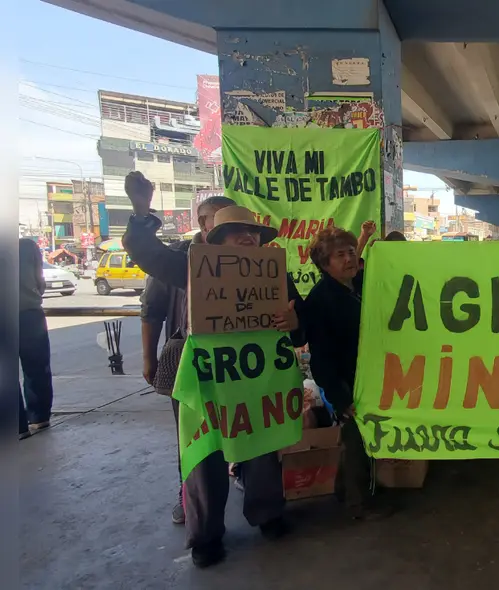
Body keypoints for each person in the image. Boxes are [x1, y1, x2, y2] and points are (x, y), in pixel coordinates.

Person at [122, 171, 303, 568]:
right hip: (205, 377)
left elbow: (299, 321)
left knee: (261, 446)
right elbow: (144, 251)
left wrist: (291, 323)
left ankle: (269, 515)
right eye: (238, 232)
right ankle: (205, 537)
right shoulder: (188, 266)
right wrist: (140, 210)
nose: (248, 239)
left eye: (253, 233)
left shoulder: (275, 272)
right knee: (204, 454)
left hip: (256, 378)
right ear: (212, 240)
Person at [140, 195, 236, 525]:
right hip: (189, 363)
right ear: (202, 223)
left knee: (246, 432)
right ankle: (194, 504)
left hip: (238, 366)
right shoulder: (180, 259)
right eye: (218, 219)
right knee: (196, 440)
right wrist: (148, 358)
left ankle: (261, 508)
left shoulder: (250, 261)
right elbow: (151, 310)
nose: (227, 226)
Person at [303, 221, 392, 521]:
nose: (350, 258)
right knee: (356, 439)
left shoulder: (358, 284)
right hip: (346, 382)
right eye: (340, 254)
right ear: (325, 263)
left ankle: (345, 489)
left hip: (368, 375)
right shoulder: (320, 300)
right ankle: (358, 504)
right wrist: (340, 398)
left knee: (359, 438)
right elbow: (321, 358)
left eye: (352, 252)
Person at [19, 238, 54, 436]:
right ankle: (39, 417)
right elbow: (40, 282)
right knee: (37, 368)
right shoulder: (26, 247)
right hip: (29, 313)